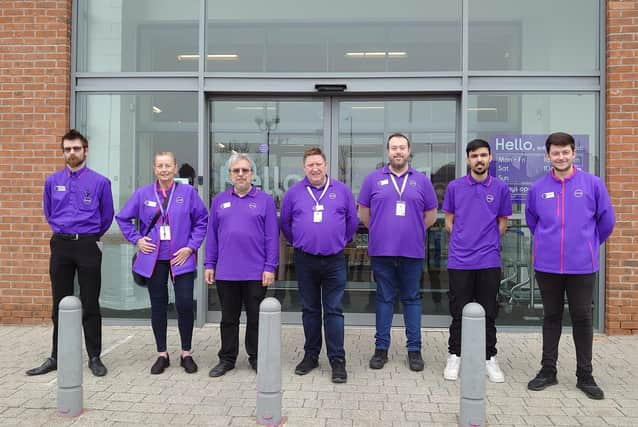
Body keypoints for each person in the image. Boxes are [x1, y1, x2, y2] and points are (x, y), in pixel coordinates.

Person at [526, 132, 615, 400]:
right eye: (556, 152)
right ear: (548, 156)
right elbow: (533, 222)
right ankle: (547, 370)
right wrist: (547, 242)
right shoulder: (537, 188)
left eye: (565, 152)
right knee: (551, 317)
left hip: (582, 266)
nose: (561, 157)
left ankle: (585, 375)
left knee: (582, 318)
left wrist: (588, 243)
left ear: (574, 153)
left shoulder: (593, 184)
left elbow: (606, 221)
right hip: (548, 265)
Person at [27, 129, 114, 377]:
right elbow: (49, 212)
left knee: (90, 303)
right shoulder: (52, 182)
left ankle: (95, 357)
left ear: (85, 151)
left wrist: (90, 235)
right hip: (61, 246)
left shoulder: (100, 182)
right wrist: (63, 231)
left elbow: (106, 216)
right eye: (67, 149)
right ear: (63, 152)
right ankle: (56, 355)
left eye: (76, 148)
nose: (72, 153)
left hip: (87, 245)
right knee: (59, 304)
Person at [116, 152, 208, 375]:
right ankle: (162, 354)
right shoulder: (143, 194)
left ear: (175, 168)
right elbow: (123, 218)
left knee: (185, 304)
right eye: (160, 166)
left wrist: (190, 247)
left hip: (181, 258)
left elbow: (202, 220)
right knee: (158, 306)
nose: (164, 169)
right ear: (154, 169)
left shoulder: (188, 193)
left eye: (168, 165)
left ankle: (186, 352)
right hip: (153, 259)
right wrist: (137, 239)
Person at [358, 133, 438, 372]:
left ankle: (414, 350)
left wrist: (413, 229)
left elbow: (431, 215)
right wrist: (381, 229)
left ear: (409, 150)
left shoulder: (422, 180)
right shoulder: (373, 179)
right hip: (382, 251)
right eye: (394, 148)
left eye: (402, 147)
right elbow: (363, 213)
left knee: (411, 299)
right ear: (388, 152)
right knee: (384, 299)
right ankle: (381, 349)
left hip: (412, 252)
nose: (398, 152)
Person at [280, 147, 358, 383]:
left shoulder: (342, 191)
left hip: (334, 260)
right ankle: (311, 356)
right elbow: (285, 224)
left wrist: (338, 241)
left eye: (318, 164)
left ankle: (337, 360)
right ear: (304, 168)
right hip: (305, 260)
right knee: (310, 310)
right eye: (310, 165)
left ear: (326, 166)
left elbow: (352, 222)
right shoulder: (294, 193)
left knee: (334, 310)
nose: (315, 168)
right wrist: (301, 242)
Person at [442, 139, 512, 383]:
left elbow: (502, 222)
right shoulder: (455, 187)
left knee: (489, 311)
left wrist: (486, 241)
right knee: (458, 312)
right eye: (474, 156)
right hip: (460, 260)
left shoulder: (501, 187)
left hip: (488, 260)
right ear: (468, 159)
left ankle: (488, 358)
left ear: (490, 158)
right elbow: (449, 219)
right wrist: (463, 239)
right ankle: (455, 355)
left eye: (483, 155)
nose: (479, 159)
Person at [205, 153, 278, 377]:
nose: (241, 174)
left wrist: (270, 266)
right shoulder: (219, 200)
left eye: (245, 170)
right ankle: (227, 358)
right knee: (228, 319)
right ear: (230, 175)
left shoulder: (265, 200)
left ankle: (257, 358)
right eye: (236, 171)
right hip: (227, 272)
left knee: (256, 319)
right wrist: (210, 264)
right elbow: (212, 236)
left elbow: (272, 237)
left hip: (256, 272)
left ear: (252, 174)